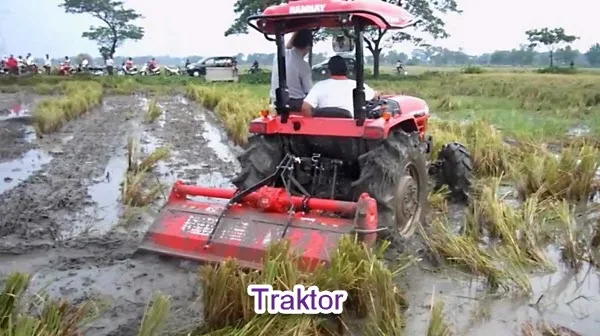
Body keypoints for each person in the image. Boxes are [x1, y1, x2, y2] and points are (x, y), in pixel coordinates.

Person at [301, 55, 378, 117]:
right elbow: (375, 96)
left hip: (322, 131)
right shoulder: (357, 85)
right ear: (346, 70)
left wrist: (314, 123)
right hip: (350, 129)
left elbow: (305, 107)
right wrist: (376, 94)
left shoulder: (318, 86)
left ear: (329, 70)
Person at [269, 29, 313, 111]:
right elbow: (309, 91)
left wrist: (298, 30)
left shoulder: (279, 56)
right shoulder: (303, 65)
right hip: (295, 103)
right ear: (308, 46)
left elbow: (287, 47)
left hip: (276, 101)